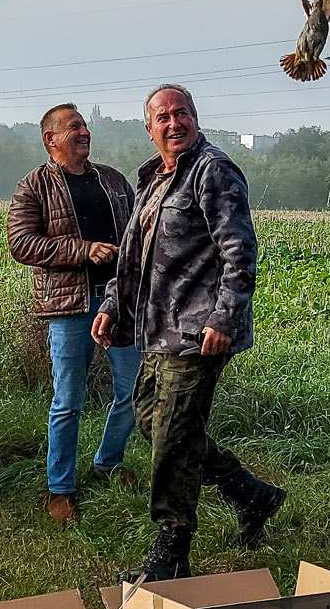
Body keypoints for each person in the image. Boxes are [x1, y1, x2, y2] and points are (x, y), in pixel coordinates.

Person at [93, 84, 286, 582]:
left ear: (196, 119)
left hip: (200, 330)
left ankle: (171, 550)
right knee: (152, 422)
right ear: (149, 128)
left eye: (182, 113)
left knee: (174, 434)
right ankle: (252, 495)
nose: (173, 123)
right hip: (158, 329)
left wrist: (224, 318)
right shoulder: (153, 179)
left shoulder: (213, 171)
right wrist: (114, 305)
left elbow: (239, 251)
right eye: (163, 116)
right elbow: (133, 255)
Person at [7, 103, 140, 525]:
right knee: (68, 401)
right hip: (70, 308)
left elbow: (138, 231)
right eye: (74, 127)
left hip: (120, 301)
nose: (84, 132)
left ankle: (108, 462)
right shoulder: (33, 187)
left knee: (134, 390)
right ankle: (59, 490)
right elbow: (22, 244)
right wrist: (84, 251)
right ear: (50, 139)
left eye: (84, 125)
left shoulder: (114, 180)